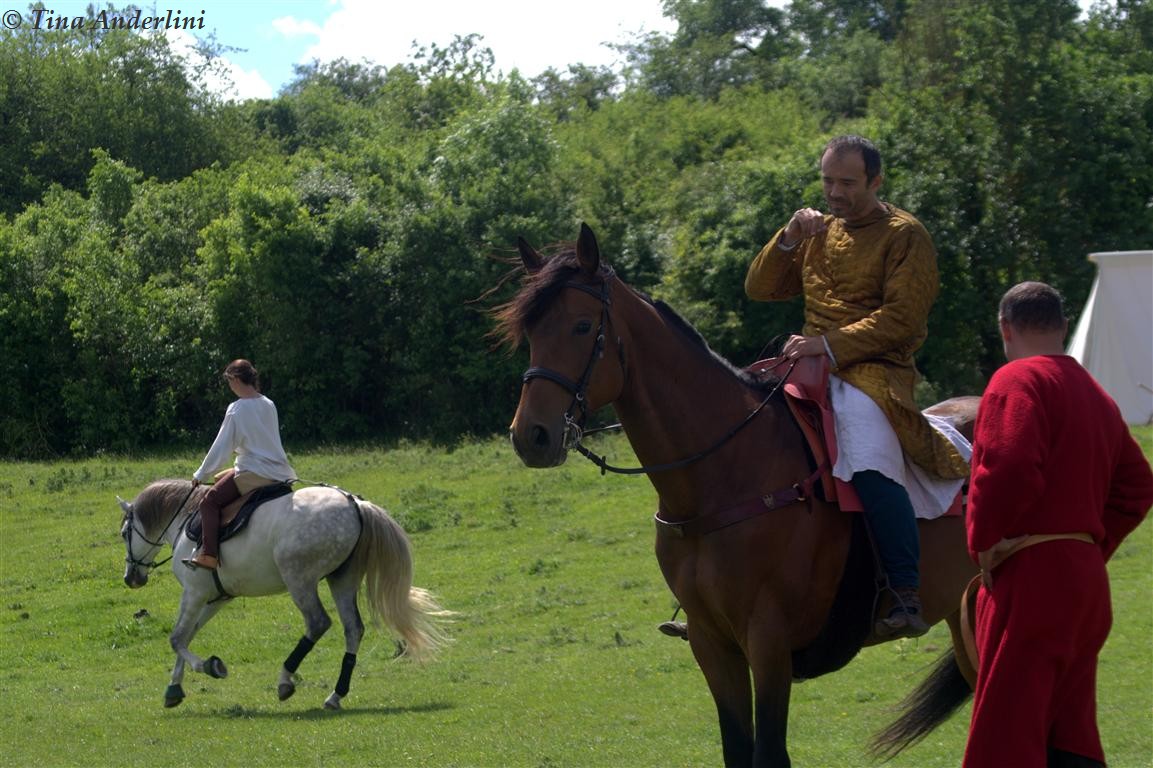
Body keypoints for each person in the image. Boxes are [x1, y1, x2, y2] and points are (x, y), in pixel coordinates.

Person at [742, 134, 970, 639]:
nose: (835, 193)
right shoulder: (817, 231)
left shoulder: (906, 235)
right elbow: (759, 288)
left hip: (876, 374)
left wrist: (826, 344)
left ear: (876, 181)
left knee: (869, 461)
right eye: (828, 181)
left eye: (847, 183)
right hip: (804, 366)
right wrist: (787, 238)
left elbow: (903, 320)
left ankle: (905, 591)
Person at [963, 282, 1152, 768]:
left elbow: (1008, 465)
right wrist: (1085, 545)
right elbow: (1137, 486)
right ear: (1063, 326)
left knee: (1006, 739)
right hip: (1086, 586)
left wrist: (986, 541)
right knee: (1070, 738)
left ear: (1005, 328)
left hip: (1033, 582)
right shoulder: (1095, 393)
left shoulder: (1015, 379)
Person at [183, 359, 297, 571]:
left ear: (235, 379)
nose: (230, 387)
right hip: (279, 472)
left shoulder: (237, 408)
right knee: (221, 478)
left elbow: (221, 446)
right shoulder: (268, 403)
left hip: (254, 472)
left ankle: (209, 555)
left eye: (229, 381)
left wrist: (200, 474)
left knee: (209, 502)